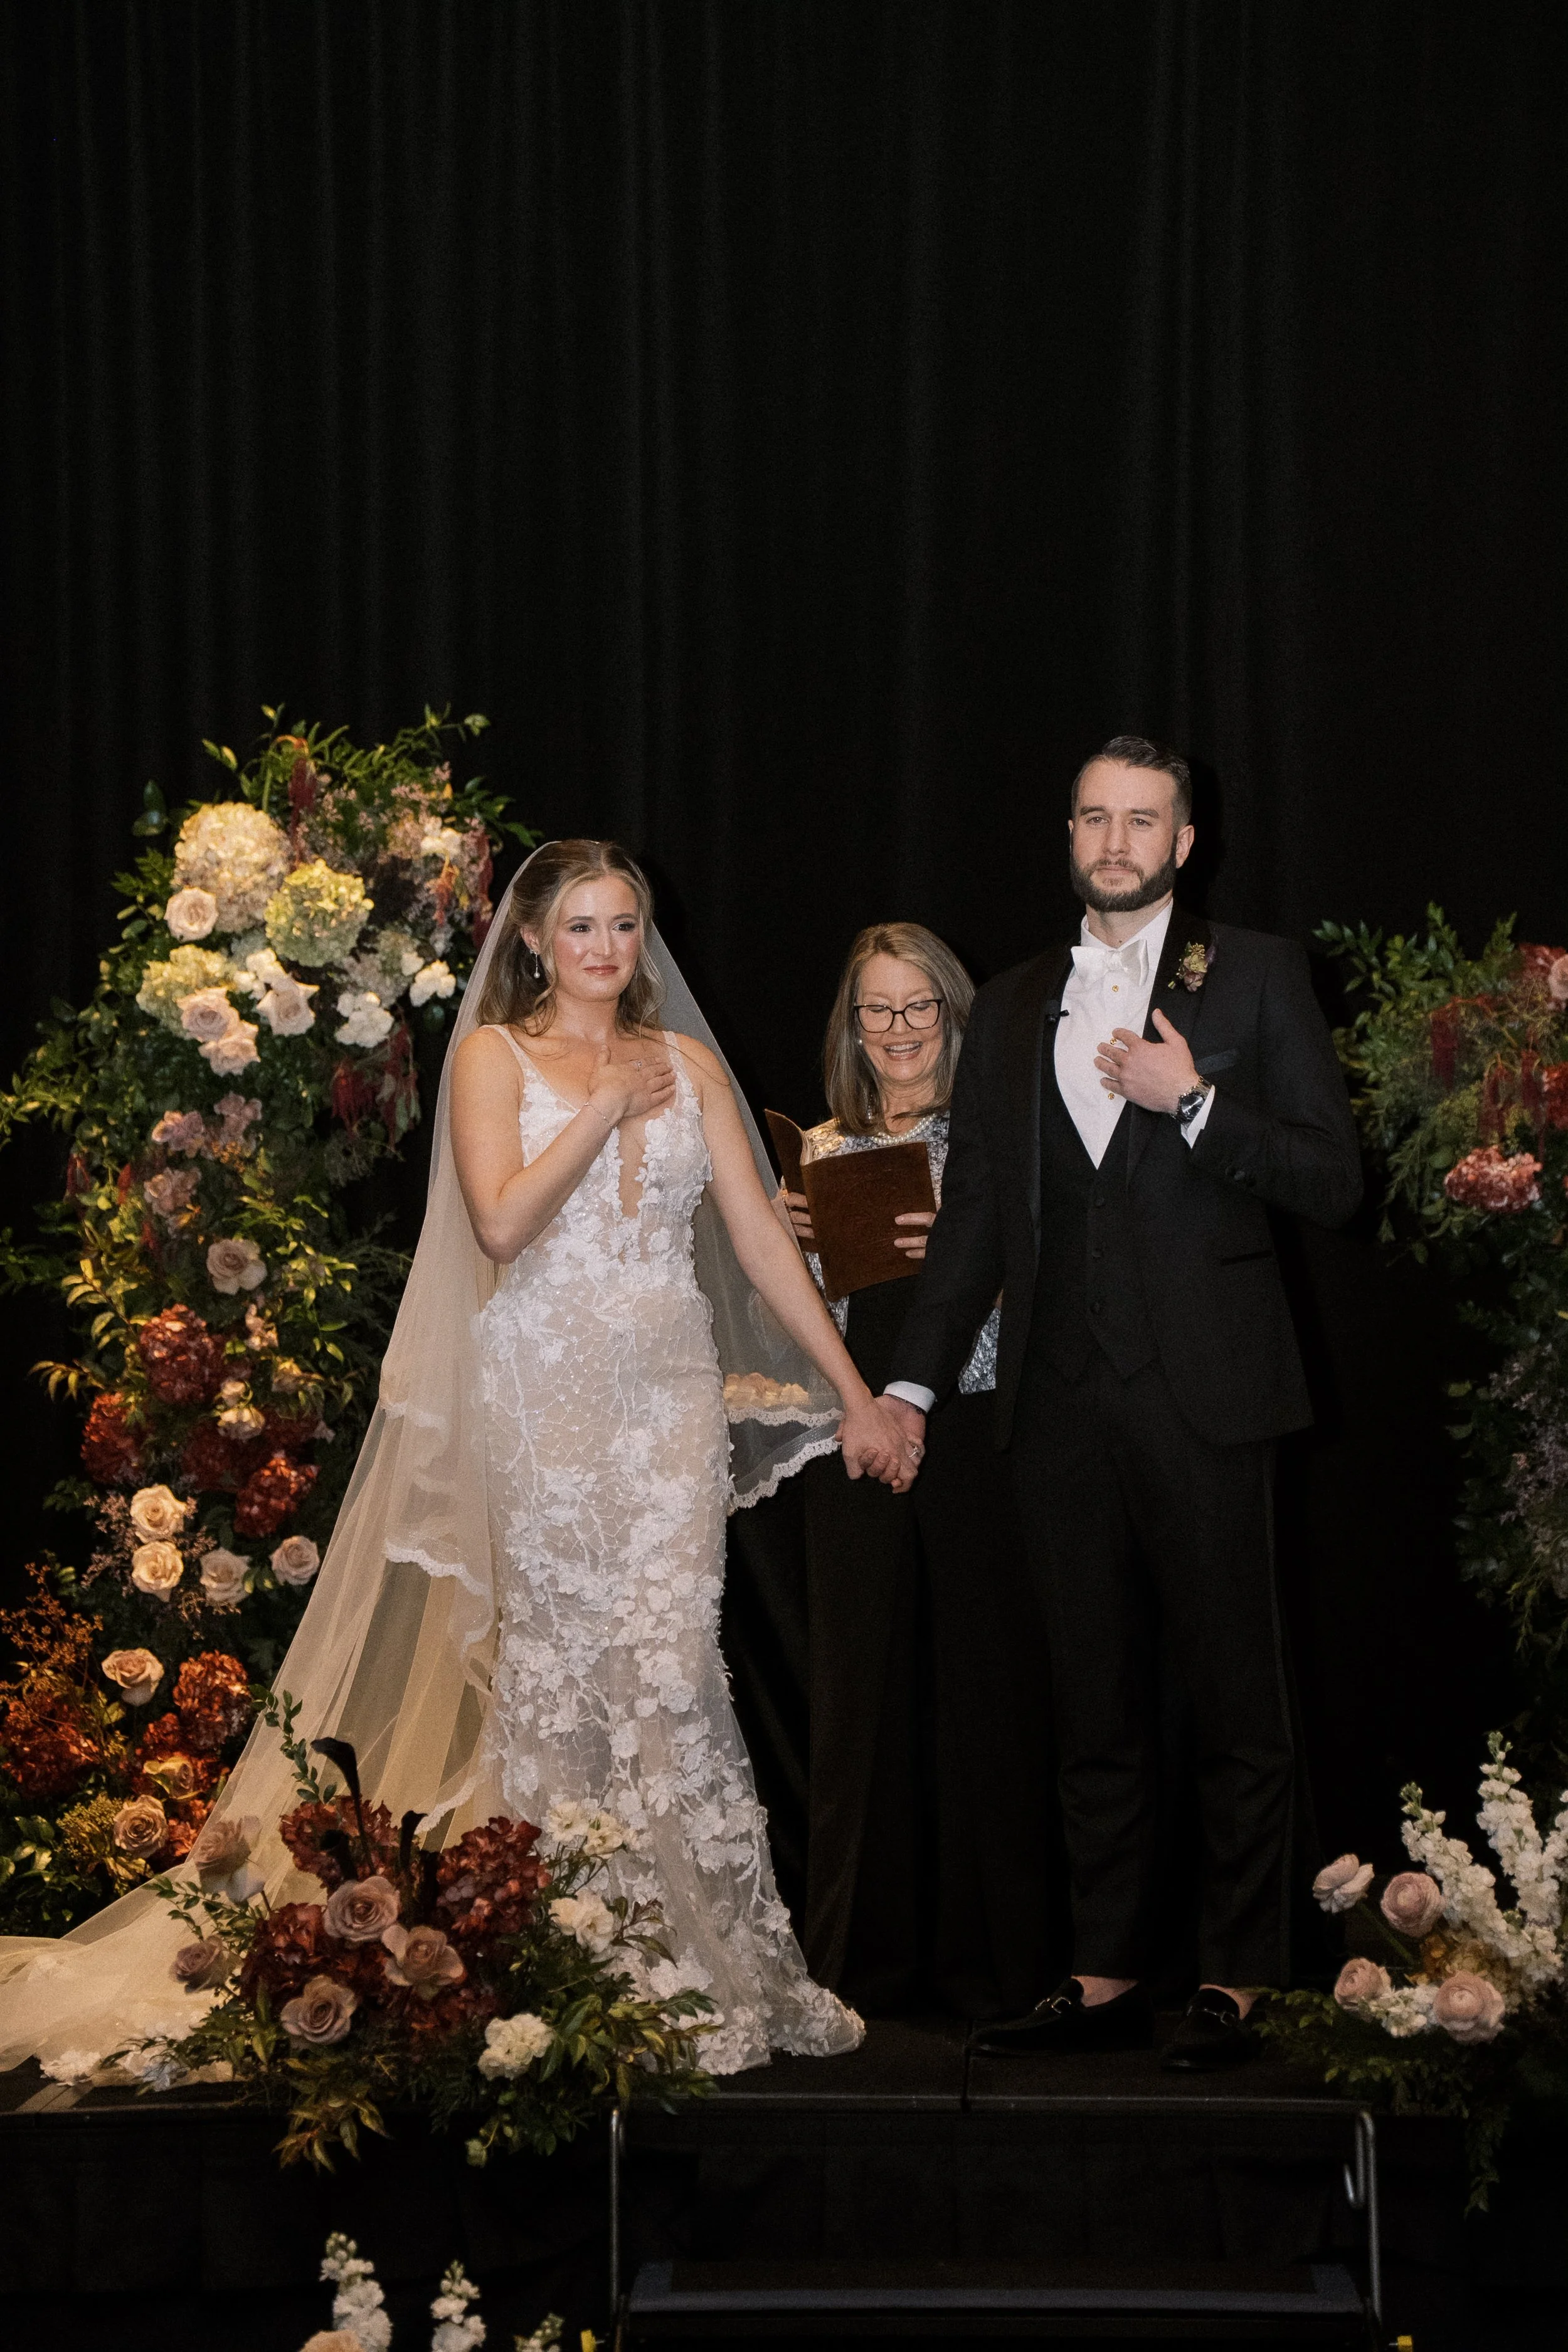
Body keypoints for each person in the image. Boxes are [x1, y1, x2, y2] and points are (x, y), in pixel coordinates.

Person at [0, 840, 918, 2080]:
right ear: (533, 940)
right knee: (554, 1667)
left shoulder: (691, 1061)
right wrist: (596, 1107)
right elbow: (498, 1221)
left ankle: (709, 1965)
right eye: (582, 928)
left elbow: (761, 1243)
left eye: (625, 927)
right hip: (542, 1398)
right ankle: (559, 1953)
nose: (607, 951)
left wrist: (858, 1397)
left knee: (668, 1663)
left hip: (666, 1401)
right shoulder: (493, 1055)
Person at [881, 738, 1361, 2069]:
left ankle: (1241, 1978)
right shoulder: (1015, 998)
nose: (1113, 838)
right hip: (1054, 1402)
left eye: (1139, 819)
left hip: (1207, 1392)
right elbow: (972, 1215)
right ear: (1071, 833)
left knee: (1231, 1694)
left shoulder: (1253, 973)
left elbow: (1333, 1178)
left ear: (1183, 841)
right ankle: (1098, 1975)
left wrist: (1194, 1102)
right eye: (1092, 816)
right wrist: (910, 1386)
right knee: (1091, 1699)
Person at [780, 924, 1053, 2018]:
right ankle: (862, 1967)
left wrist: (965, 1261)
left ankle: (1014, 1965)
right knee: (861, 1708)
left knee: (992, 1698)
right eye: (874, 1012)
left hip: (977, 1431)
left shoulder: (1000, 1141)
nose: (895, 1032)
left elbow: (1054, 1299)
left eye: (916, 1008)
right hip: (853, 1442)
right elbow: (795, 1325)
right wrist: (796, 1242)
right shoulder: (824, 1147)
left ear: (955, 1014)